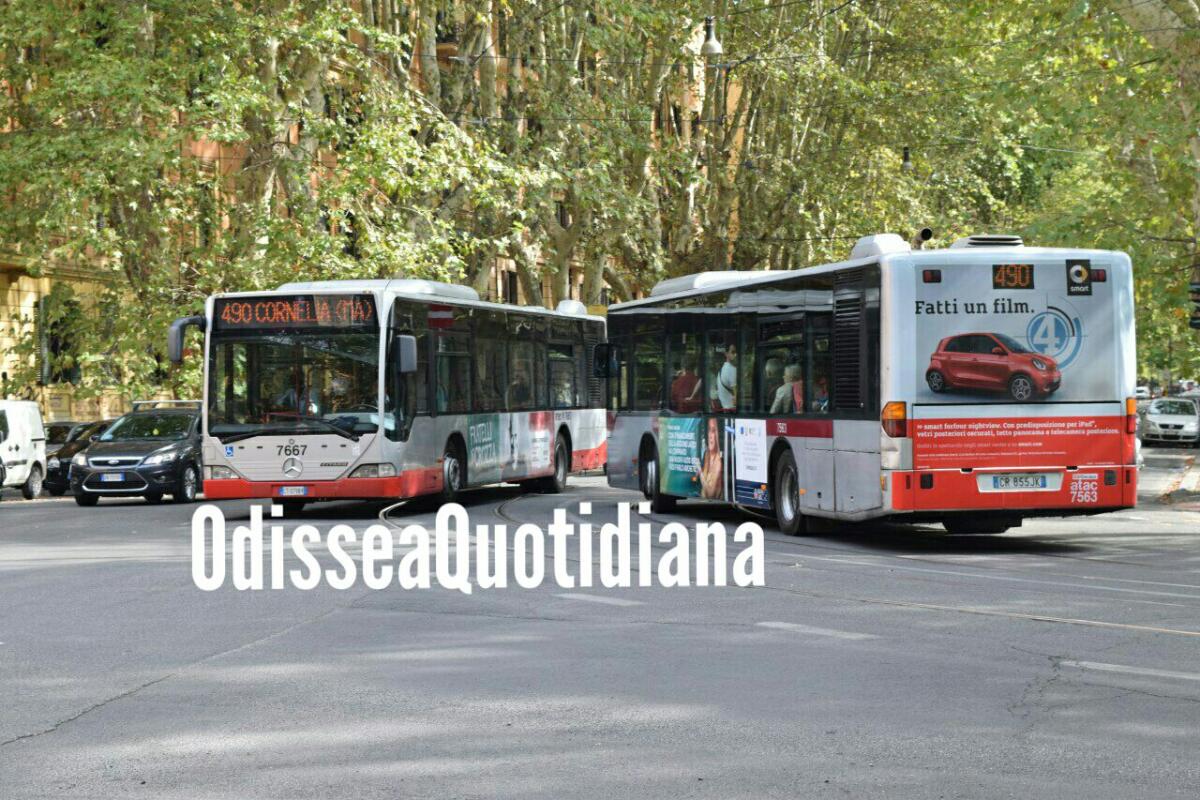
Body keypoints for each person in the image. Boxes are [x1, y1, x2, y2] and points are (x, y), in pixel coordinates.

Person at [699, 417, 723, 499]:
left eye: (713, 431)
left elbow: (710, 494)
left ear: (717, 435)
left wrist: (699, 471)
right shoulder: (707, 455)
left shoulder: (718, 462)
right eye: (709, 430)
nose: (710, 436)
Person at [715, 341, 737, 412]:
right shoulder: (732, 369)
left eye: (736, 352)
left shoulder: (722, 369)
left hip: (725, 408)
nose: (736, 354)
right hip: (733, 410)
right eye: (733, 352)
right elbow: (736, 396)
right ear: (726, 354)